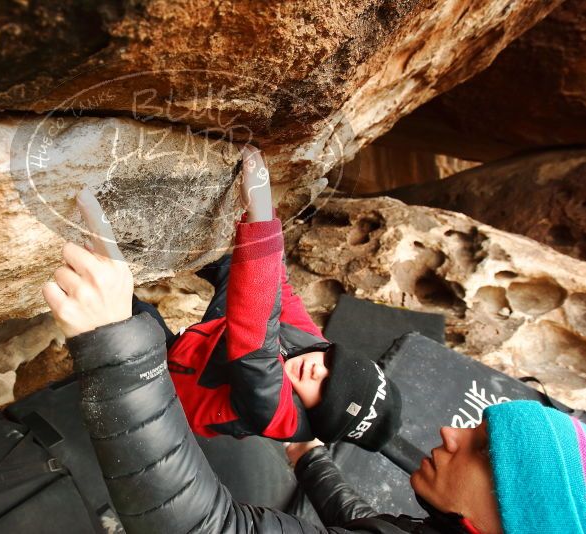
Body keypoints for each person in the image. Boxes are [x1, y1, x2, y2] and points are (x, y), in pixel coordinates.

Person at [42, 182, 586, 533]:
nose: (452, 433)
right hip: (202, 352)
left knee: (132, 317)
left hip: (173, 377)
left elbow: (202, 527)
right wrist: (310, 456)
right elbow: (366, 524)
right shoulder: (315, 371)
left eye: (483, 450)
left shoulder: (273, 404)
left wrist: (116, 346)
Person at [133, 146, 401, 451]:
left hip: (175, 382)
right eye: (333, 363)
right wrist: (263, 222)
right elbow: (280, 290)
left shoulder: (276, 415)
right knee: (229, 266)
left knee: (138, 320)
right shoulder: (314, 349)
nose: (318, 369)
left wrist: (260, 214)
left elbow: (254, 341)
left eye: (325, 389)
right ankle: (153, 233)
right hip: (211, 344)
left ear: (317, 415)